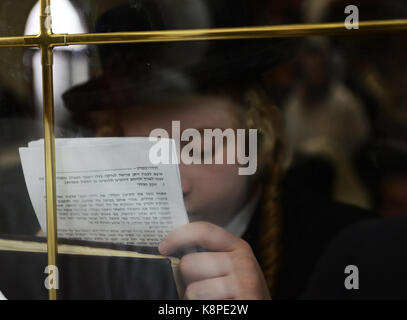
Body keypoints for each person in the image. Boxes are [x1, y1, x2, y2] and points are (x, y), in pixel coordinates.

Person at [62, 1, 373, 300]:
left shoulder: (349, 249)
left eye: (200, 148)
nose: (173, 185)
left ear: (259, 138)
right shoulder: (94, 250)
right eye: (142, 155)